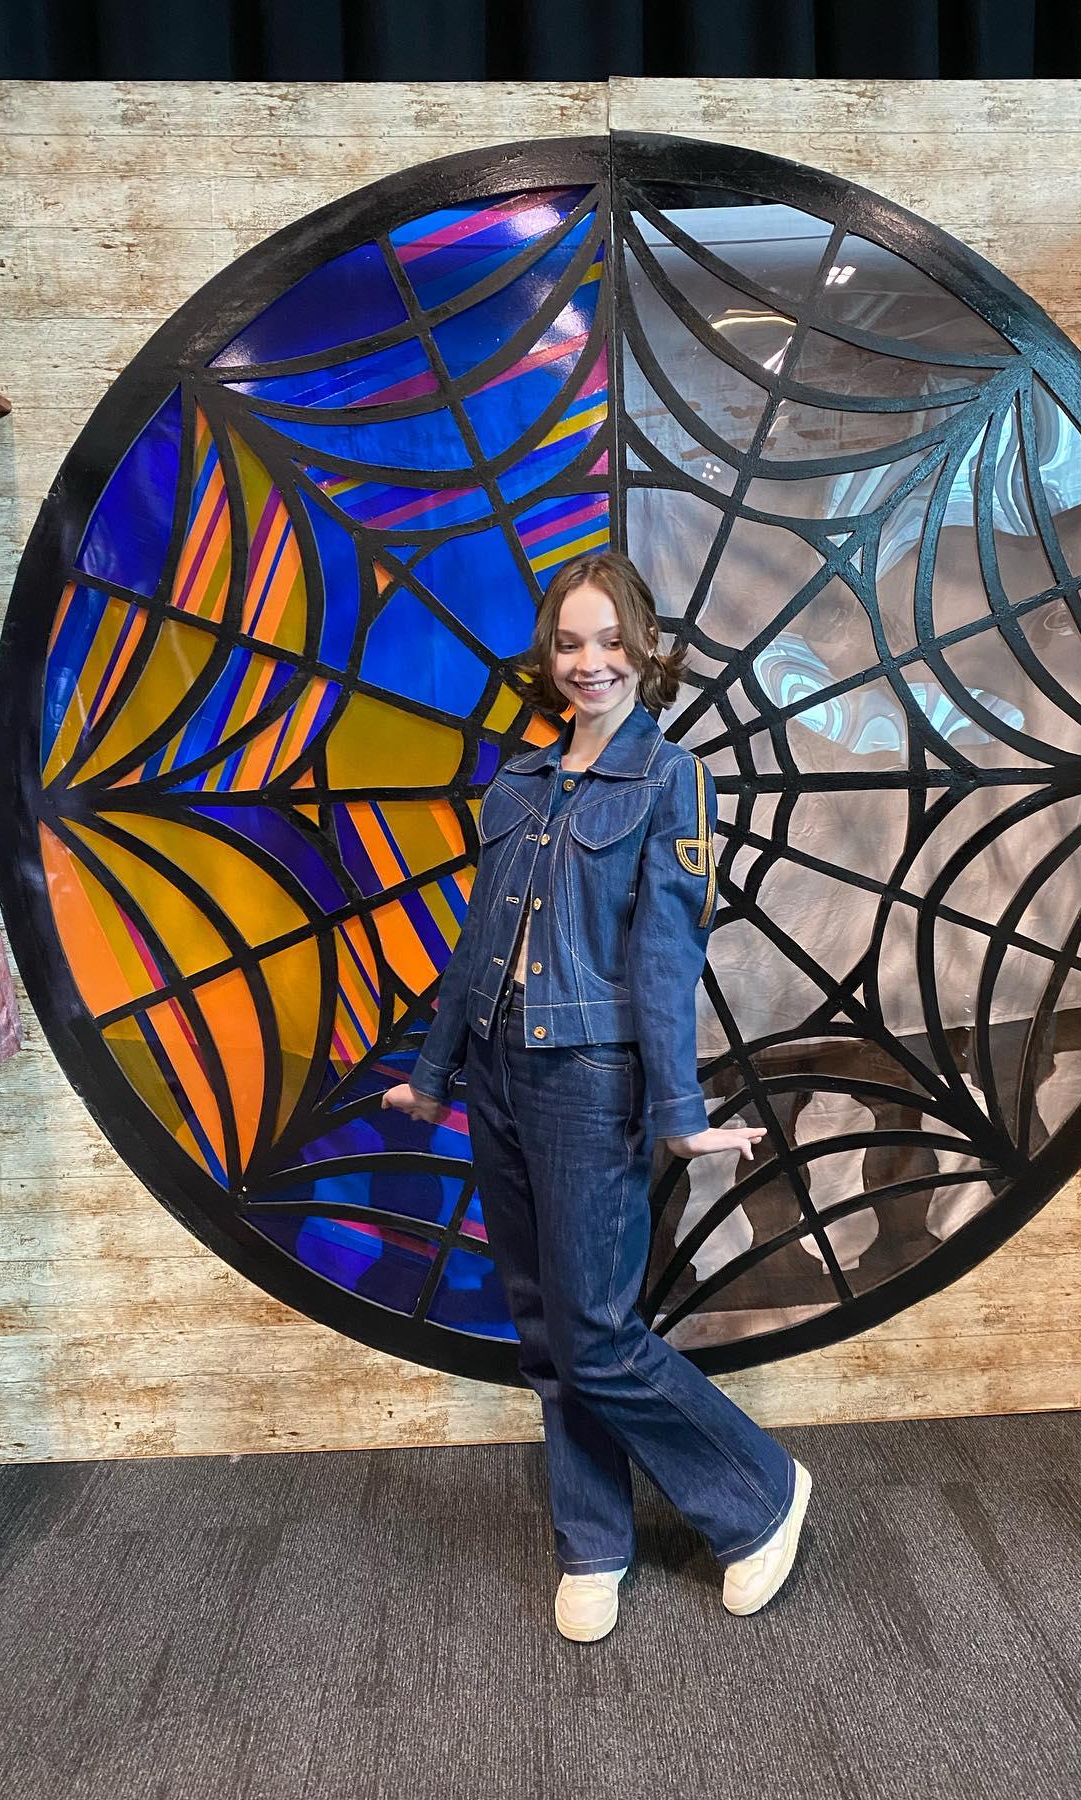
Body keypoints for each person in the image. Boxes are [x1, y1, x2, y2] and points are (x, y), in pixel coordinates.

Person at [381, 550, 811, 1644]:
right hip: (497, 1072)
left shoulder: (671, 782)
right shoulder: (518, 785)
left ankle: (758, 1493)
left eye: (612, 641)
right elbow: (477, 946)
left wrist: (678, 1113)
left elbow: (665, 958)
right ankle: (593, 1541)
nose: (591, 663)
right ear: (548, 656)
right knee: (543, 1329)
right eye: (571, 643)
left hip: (589, 1082)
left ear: (645, 649)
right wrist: (433, 1075)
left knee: (596, 1332)